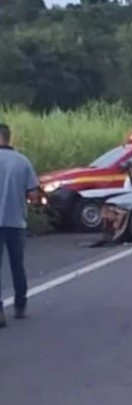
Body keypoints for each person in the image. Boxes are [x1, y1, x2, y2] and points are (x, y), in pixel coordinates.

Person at [0, 123, 40, 326]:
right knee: (17, 266)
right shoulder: (22, 162)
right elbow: (33, 194)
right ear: (8, 138)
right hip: (15, 222)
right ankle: (20, 305)